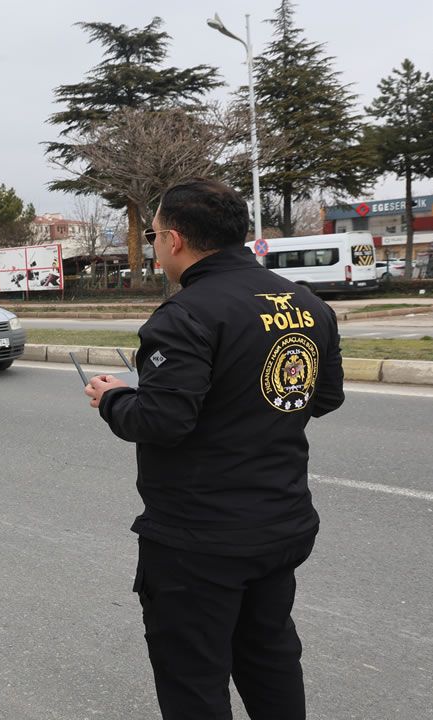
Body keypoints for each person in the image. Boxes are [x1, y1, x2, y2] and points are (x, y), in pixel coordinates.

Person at [82, 178, 344, 720]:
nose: (155, 246)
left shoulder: (186, 314)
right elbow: (322, 398)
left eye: (154, 235)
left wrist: (114, 398)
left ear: (174, 239)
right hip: (280, 521)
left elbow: (161, 421)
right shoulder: (307, 304)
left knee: (193, 678)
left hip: (200, 539)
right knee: (269, 656)